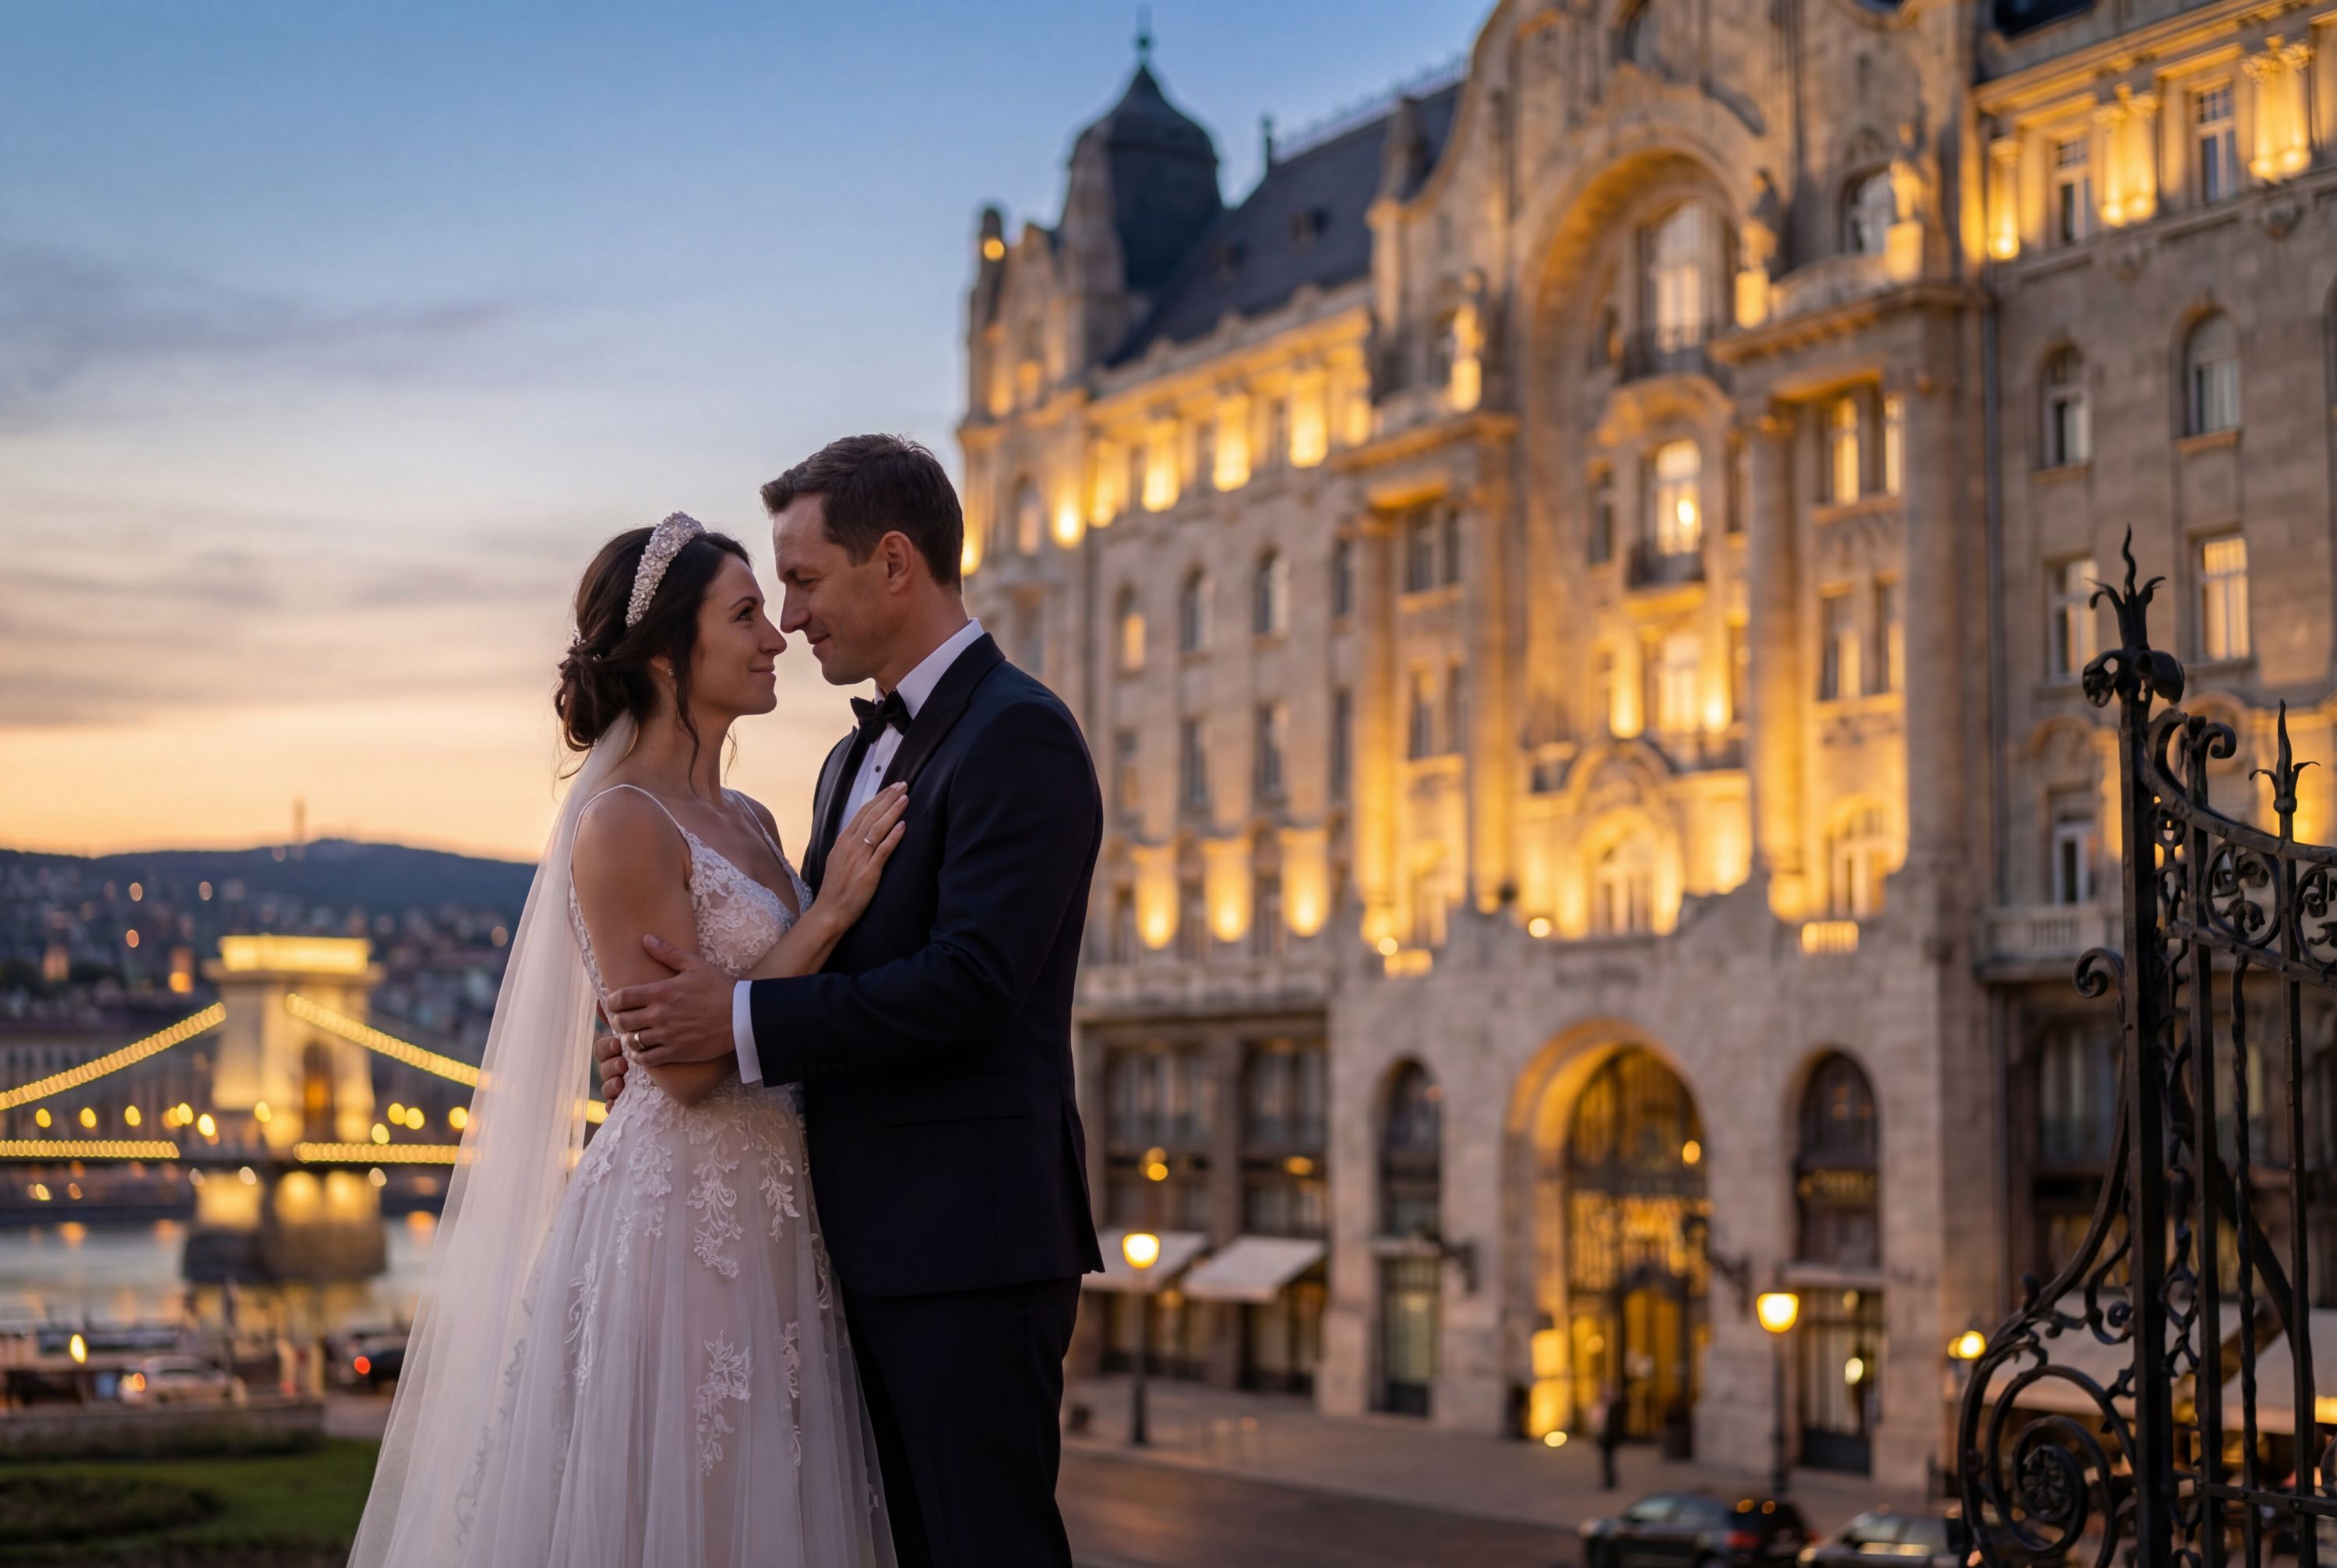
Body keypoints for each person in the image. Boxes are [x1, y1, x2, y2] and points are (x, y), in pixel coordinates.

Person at [351, 513, 909, 1566]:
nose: (775, 636)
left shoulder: (748, 816)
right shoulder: (622, 822)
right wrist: (827, 913)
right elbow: (693, 1069)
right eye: (744, 615)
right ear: (666, 652)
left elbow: (747, 1010)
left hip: (785, 1217)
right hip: (681, 1230)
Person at [598, 435, 1105, 1568]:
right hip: (840, 1249)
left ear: (893, 563)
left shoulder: (1020, 734)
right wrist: (664, 1039)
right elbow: (815, 953)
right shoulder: (842, 764)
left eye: (805, 579)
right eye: (772, 593)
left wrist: (728, 1027)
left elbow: (972, 985)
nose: (791, 615)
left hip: (966, 1247)